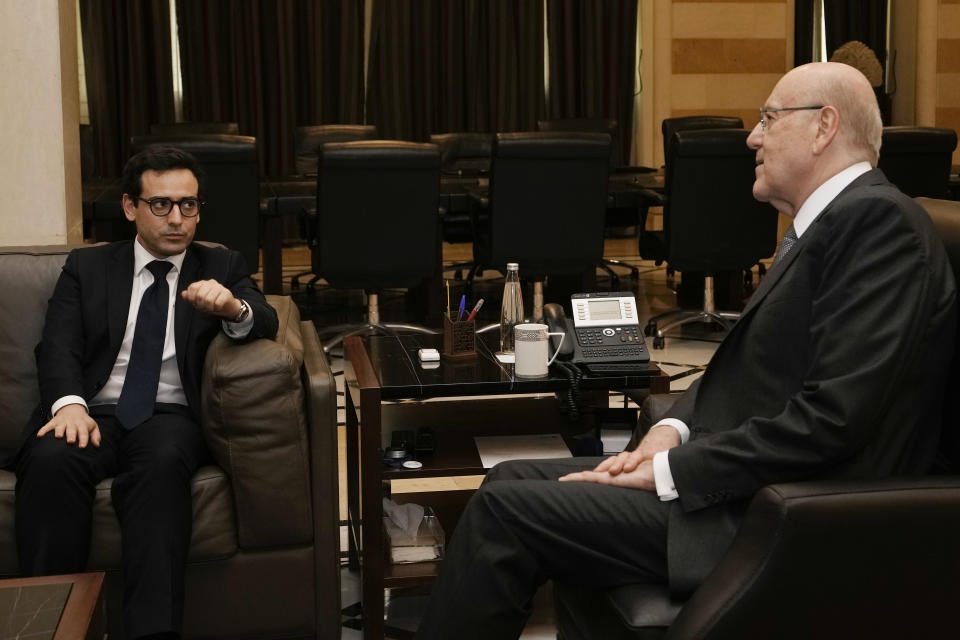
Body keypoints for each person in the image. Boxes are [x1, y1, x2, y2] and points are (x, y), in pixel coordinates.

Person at [415, 62, 957, 638]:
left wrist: (670, 471)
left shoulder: (880, 225)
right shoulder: (832, 225)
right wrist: (667, 433)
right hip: (742, 487)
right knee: (507, 481)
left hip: (779, 512)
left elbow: (831, 420)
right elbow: (749, 373)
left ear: (824, 126)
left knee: (506, 516)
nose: (753, 136)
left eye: (769, 118)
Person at [12, 146, 279, 639]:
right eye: (161, 204)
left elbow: (266, 317)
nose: (177, 219)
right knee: (51, 461)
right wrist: (70, 405)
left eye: (189, 205)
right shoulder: (88, 268)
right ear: (131, 207)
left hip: (169, 417)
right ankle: (49, 628)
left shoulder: (219, 262)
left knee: (160, 468)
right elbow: (58, 346)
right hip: (90, 411)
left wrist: (233, 307)